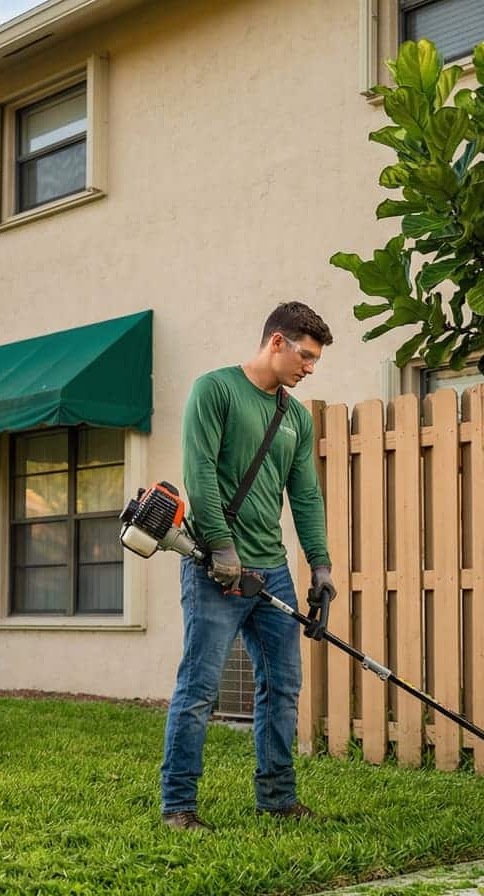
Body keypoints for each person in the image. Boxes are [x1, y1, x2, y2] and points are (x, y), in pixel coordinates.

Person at [159, 302, 337, 831]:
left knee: (282, 686)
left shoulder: (295, 417)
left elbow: (305, 495)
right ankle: (178, 806)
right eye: (304, 356)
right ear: (276, 342)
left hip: (272, 572)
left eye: (315, 361)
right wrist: (221, 546)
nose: (309, 368)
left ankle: (278, 799)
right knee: (200, 689)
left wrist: (321, 565)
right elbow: (201, 472)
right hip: (216, 570)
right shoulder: (214, 390)